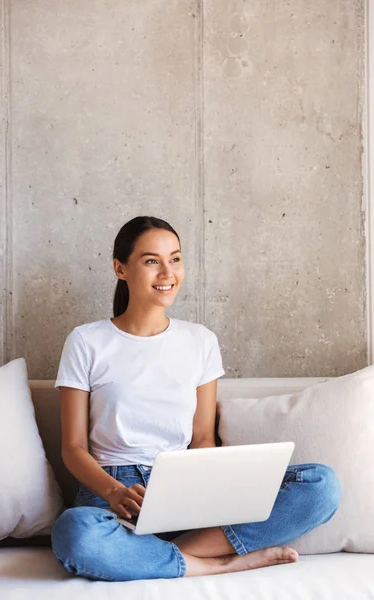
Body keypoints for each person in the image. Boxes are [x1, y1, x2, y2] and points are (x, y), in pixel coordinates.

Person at [51, 215, 342, 582]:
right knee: (75, 533)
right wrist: (114, 492)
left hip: (182, 485)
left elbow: (202, 438)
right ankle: (214, 563)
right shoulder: (86, 340)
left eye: (175, 258)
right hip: (112, 493)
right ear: (120, 268)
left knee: (320, 485)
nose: (167, 272)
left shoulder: (200, 341)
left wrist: (204, 496)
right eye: (151, 260)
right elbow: (73, 448)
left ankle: (159, 556)